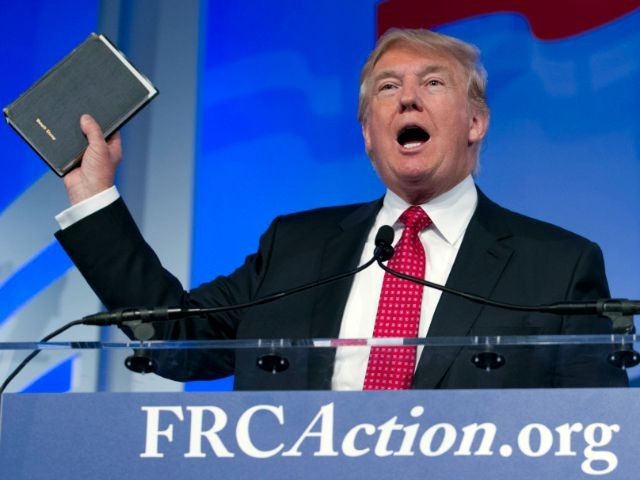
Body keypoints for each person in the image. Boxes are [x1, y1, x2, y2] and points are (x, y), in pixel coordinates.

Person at [54, 28, 627, 390]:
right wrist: (92, 193)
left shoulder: (557, 264)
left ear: (475, 122)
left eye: (433, 83)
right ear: (368, 134)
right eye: (386, 88)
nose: (407, 97)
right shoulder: (296, 247)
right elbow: (175, 339)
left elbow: (590, 437)